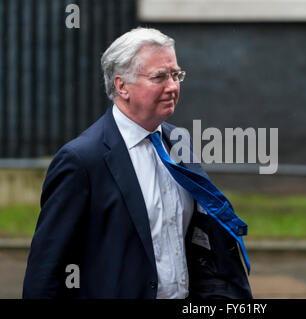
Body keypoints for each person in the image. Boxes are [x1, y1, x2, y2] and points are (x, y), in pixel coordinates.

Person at [22, 27, 252, 299]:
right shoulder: (81, 161)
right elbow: (46, 271)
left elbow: (198, 241)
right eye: (159, 77)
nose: (172, 86)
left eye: (176, 75)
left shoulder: (179, 142)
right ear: (122, 86)